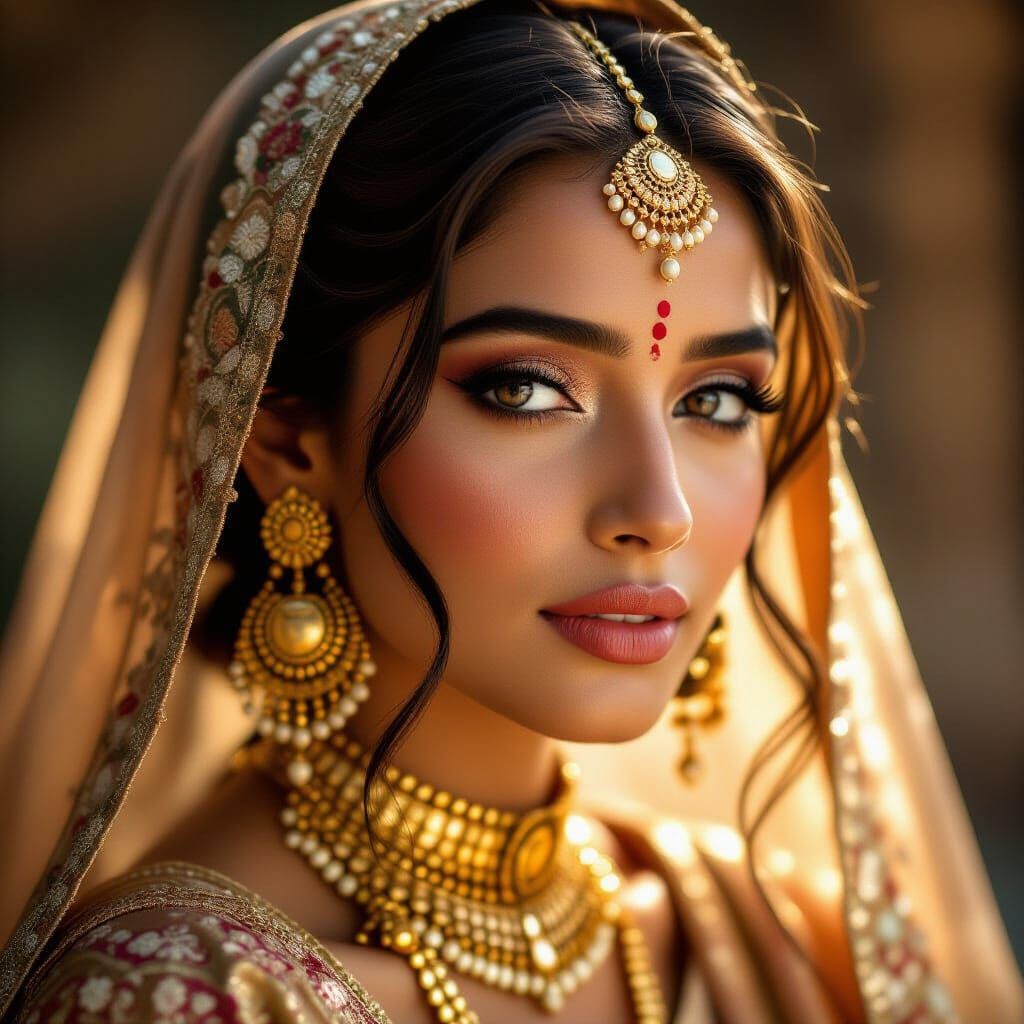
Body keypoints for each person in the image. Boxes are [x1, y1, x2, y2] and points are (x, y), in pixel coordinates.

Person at [0, 0, 1019, 1020]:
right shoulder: (176, 999)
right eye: (527, 390)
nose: (656, 509)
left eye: (715, 401)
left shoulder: (778, 952)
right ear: (289, 443)